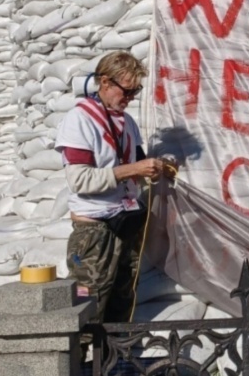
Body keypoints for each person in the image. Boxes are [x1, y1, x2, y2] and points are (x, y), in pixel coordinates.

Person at [55, 51, 170, 323]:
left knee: (123, 299)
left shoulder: (127, 122)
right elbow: (80, 180)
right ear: (105, 82)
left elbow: (137, 164)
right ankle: (84, 362)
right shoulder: (79, 121)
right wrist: (133, 170)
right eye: (126, 91)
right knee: (88, 304)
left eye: (135, 92)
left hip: (125, 220)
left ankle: (115, 361)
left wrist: (154, 168)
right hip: (94, 229)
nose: (129, 99)